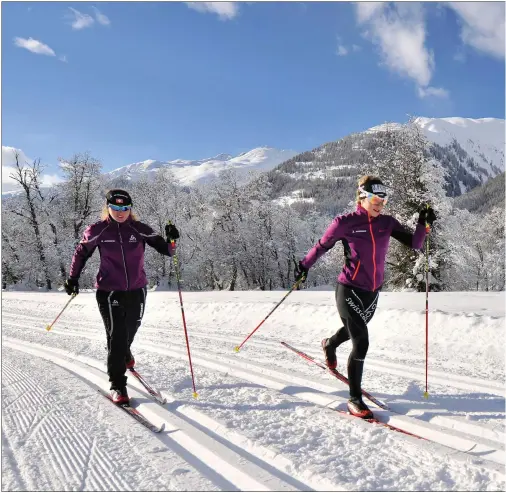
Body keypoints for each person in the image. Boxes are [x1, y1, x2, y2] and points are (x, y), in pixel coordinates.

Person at [294, 176, 436, 419]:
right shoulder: (345, 223)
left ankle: (329, 343)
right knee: (361, 341)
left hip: (372, 292)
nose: (380, 204)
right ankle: (354, 398)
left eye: (383, 200)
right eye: (375, 199)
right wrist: (304, 266)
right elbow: (321, 246)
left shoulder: (387, 223)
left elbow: (414, 244)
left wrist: (423, 224)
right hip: (348, 288)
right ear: (362, 197)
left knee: (352, 330)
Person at [64, 189, 180, 404]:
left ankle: (125, 353)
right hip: (109, 291)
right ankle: (118, 385)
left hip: (137, 289)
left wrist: (172, 240)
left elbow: (168, 251)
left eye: (124, 208)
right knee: (116, 337)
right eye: (115, 207)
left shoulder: (139, 229)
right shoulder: (98, 230)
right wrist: (72, 279)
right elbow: (81, 253)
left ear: (130, 209)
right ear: (108, 207)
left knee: (131, 329)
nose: (120, 212)